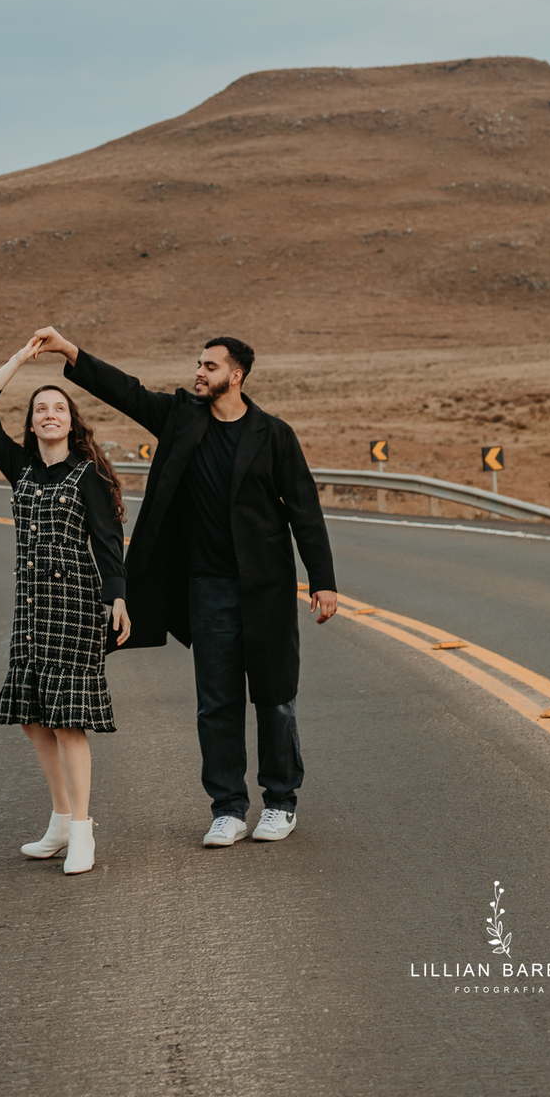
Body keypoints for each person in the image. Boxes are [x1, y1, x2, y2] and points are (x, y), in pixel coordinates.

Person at [28, 327, 338, 848]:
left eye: (210, 367)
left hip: (267, 588)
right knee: (215, 701)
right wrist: (69, 351)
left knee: (274, 697)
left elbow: (304, 511)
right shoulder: (181, 418)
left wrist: (322, 582)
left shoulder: (274, 435)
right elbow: (124, 390)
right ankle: (228, 809)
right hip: (207, 589)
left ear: (235, 376)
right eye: (198, 364)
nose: (199, 372)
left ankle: (280, 801)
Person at [0, 334, 131, 874]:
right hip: (31, 607)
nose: (50, 414)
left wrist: (118, 599)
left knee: (67, 721)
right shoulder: (21, 468)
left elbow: (107, 542)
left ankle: (82, 831)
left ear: (71, 420)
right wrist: (18, 360)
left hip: (76, 605)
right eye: (41, 409)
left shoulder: (89, 473)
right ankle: (60, 820)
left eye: (59, 407)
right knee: (32, 718)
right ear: (32, 423)